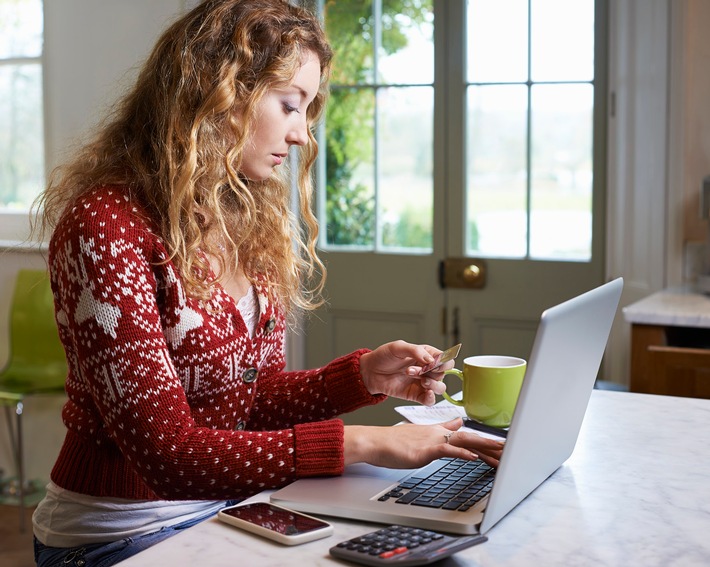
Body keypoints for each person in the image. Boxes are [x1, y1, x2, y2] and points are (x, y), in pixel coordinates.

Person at [30, 1, 504, 565]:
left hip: (234, 508)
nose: (303, 134)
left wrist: (358, 378)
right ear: (218, 95)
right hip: (121, 534)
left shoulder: (246, 218)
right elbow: (169, 454)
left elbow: (246, 404)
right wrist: (367, 443)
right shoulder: (105, 226)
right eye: (289, 105)